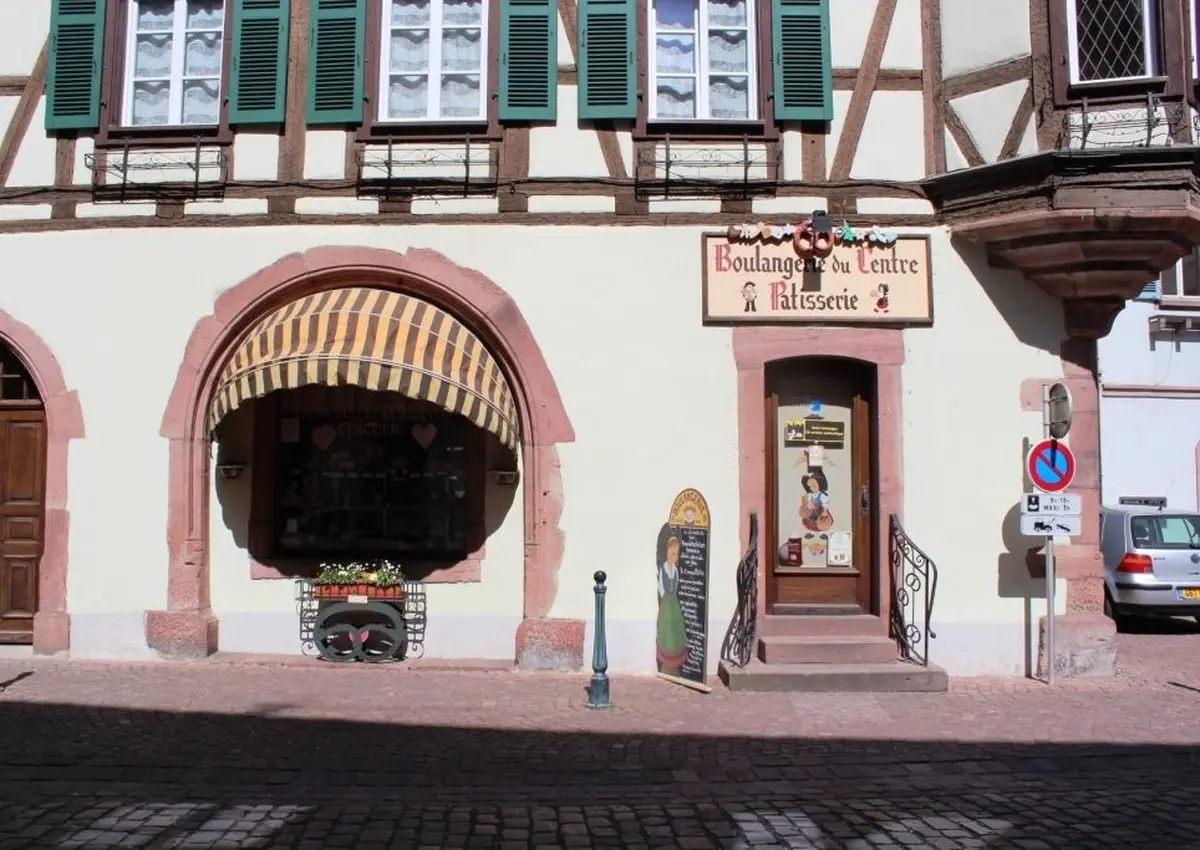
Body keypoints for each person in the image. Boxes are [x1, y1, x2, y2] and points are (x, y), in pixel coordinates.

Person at [656, 536, 689, 675]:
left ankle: (675, 657)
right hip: (667, 602)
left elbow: (675, 585)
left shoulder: (675, 570)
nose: (675, 556)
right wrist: (665, 599)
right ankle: (666, 656)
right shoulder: (664, 568)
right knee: (666, 628)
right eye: (673, 553)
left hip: (674, 602)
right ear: (668, 552)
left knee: (675, 627)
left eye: (677, 554)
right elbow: (661, 587)